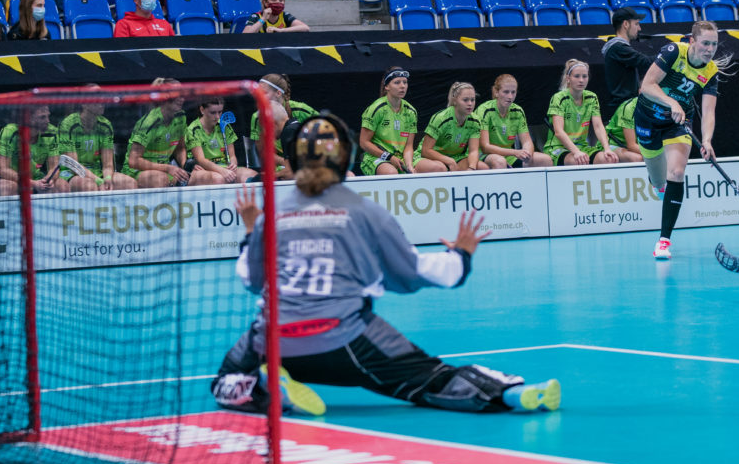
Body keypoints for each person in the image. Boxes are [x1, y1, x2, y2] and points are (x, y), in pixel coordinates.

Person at [211, 113, 560, 419]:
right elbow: (408, 274)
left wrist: (251, 232)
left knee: (225, 379)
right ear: (344, 158)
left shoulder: (273, 215)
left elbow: (251, 279)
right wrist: (460, 258)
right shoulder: (365, 212)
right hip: (343, 338)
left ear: (295, 160)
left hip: (273, 341)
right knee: (431, 378)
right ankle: (511, 393)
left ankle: (264, 388)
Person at [633, 24, 727, 259]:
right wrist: (672, 102)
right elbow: (647, 86)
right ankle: (658, 184)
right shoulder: (674, 52)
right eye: (705, 43)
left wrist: (707, 141)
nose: (710, 49)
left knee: (676, 172)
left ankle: (664, 241)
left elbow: (709, 111)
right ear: (692, 41)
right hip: (647, 119)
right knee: (658, 180)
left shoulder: (711, 71)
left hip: (678, 123)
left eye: (714, 44)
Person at [0, 105, 71, 198]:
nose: (48, 121)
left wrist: (49, 179)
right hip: (2, 178)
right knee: (9, 188)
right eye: (42, 117)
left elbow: (54, 167)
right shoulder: (9, 132)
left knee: (62, 186)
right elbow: (3, 170)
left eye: (48, 116)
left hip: (34, 178)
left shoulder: (52, 132)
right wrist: (33, 183)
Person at [543, 59, 621, 167]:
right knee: (579, 161)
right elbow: (559, 132)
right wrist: (576, 152)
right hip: (558, 148)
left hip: (582, 146)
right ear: (568, 78)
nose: (581, 80)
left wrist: (607, 149)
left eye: (584, 76)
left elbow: (598, 126)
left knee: (608, 159)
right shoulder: (559, 98)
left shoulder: (592, 97)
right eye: (577, 76)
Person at [58, 91, 138, 192]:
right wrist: (99, 181)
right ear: (84, 104)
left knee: (130, 183)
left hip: (97, 171)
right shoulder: (68, 125)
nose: (102, 103)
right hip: (71, 173)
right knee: (89, 186)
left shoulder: (105, 125)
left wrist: (107, 179)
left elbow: (108, 164)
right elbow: (74, 166)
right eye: (98, 99)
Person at [122, 78, 190, 189]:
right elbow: (133, 161)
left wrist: (185, 167)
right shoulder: (149, 123)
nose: (182, 99)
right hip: (136, 172)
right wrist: (167, 168)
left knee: (196, 177)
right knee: (161, 179)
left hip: (165, 170)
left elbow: (180, 148)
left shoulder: (180, 117)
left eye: (182, 95)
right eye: (177, 94)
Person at [477, 74, 553, 169]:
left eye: (513, 92)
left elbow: (527, 142)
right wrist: (514, 152)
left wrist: (527, 154)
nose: (510, 96)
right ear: (496, 92)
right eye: (506, 92)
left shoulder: (518, 111)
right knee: (499, 161)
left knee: (545, 159)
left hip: (509, 155)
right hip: (486, 155)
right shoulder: (484, 110)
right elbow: (485, 147)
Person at [249, 73, 317, 178]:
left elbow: (325, 132)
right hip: (281, 167)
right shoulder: (257, 116)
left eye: (264, 93)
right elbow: (264, 152)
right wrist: (287, 162)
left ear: (278, 93)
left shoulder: (301, 110)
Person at [358, 67, 421, 175]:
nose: (402, 86)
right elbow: (364, 143)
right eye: (397, 82)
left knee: (433, 168)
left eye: (405, 82)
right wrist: (389, 157)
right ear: (386, 86)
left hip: (400, 158)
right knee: (391, 172)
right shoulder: (376, 109)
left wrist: (409, 165)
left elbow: (408, 146)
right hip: (376, 157)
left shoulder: (411, 111)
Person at [415, 82, 487, 172]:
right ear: (455, 100)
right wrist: (449, 161)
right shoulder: (441, 118)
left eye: (472, 100)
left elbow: (473, 151)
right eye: (465, 100)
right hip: (429, 157)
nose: (470, 104)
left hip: (456, 158)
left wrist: (471, 168)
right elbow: (425, 151)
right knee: (440, 168)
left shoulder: (475, 121)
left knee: (482, 168)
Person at [186, 97, 257, 185]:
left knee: (252, 175)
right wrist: (222, 171)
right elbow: (201, 160)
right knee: (218, 179)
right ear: (202, 110)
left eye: (220, 112)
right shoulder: (193, 129)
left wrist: (233, 164)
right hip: (202, 170)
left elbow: (232, 156)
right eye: (213, 113)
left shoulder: (225, 125)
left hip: (224, 167)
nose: (217, 117)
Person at [602, 7, 651, 121]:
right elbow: (645, 61)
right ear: (625, 24)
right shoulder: (618, 47)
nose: (639, 28)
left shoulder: (618, 47)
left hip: (625, 107)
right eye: (636, 24)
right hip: (622, 109)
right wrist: (668, 53)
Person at [243, 0, 311, 33]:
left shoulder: (285, 16)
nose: (278, 2)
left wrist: (281, 30)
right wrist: (263, 19)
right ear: (265, 3)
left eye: (281, 0)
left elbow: (305, 28)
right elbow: (245, 34)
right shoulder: (256, 16)